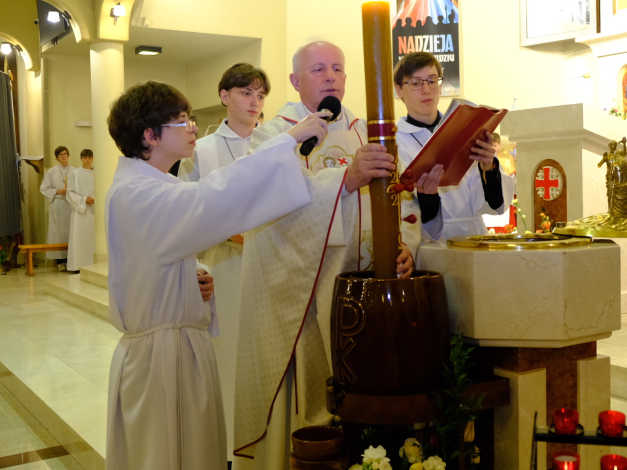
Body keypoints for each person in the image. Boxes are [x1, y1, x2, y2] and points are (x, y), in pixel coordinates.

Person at [103, 80, 328, 470]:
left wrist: (198, 274)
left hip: (177, 346)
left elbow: (160, 254)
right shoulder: (137, 193)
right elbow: (210, 199)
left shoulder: (153, 185)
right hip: (159, 361)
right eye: (182, 121)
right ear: (150, 135)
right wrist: (284, 142)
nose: (192, 128)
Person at [233, 40, 421, 468]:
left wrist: (406, 246)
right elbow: (266, 206)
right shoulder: (274, 135)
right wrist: (345, 180)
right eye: (318, 69)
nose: (330, 76)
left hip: (369, 291)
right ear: (295, 80)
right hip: (302, 294)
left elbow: (403, 201)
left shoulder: (366, 130)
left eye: (337, 68)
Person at [177, 62, 269, 466]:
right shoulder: (203, 150)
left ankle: (267, 445)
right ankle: (230, 448)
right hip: (227, 267)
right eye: (246, 93)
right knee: (229, 360)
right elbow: (186, 212)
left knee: (267, 359)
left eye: (260, 95)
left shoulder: (274, 143)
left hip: (271, 268)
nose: (254, 101)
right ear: (224, 96)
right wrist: (229, 233)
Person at [393, 51, 514, 241]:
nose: (426, 90)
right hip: (430, 242)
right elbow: (401, 211)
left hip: (475, 237)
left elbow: (496, 205)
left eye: (432, 81)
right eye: (416, 83)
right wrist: (428, 197)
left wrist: (489, 168)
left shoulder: (465, 129)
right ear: (399, 90)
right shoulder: (393, 143)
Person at [40, 146, 75, 270]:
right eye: (60, 155)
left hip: (71, 205)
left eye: (65, 154)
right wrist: (57, 191)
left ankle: (70, 261)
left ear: (68, 155)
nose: (63, 156)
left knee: (71, 232)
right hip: (57, 204)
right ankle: (60, 261)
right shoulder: (51, 172)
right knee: (57, 234)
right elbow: (43, 188)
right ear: (57, 158)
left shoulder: (74, 171)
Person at [66, 149, 95, 272]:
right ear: (81, 159)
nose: (87, 160)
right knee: (79, 239)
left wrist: (94, 199)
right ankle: (78, 265)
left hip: (94, 210)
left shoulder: (97, 173)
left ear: (92, 159)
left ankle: (93, 264)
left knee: (93, 239)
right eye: (85, 158)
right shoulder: (75, 173)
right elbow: (70, 192)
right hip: (80, 211)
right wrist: (83, 200)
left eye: (89, 158)